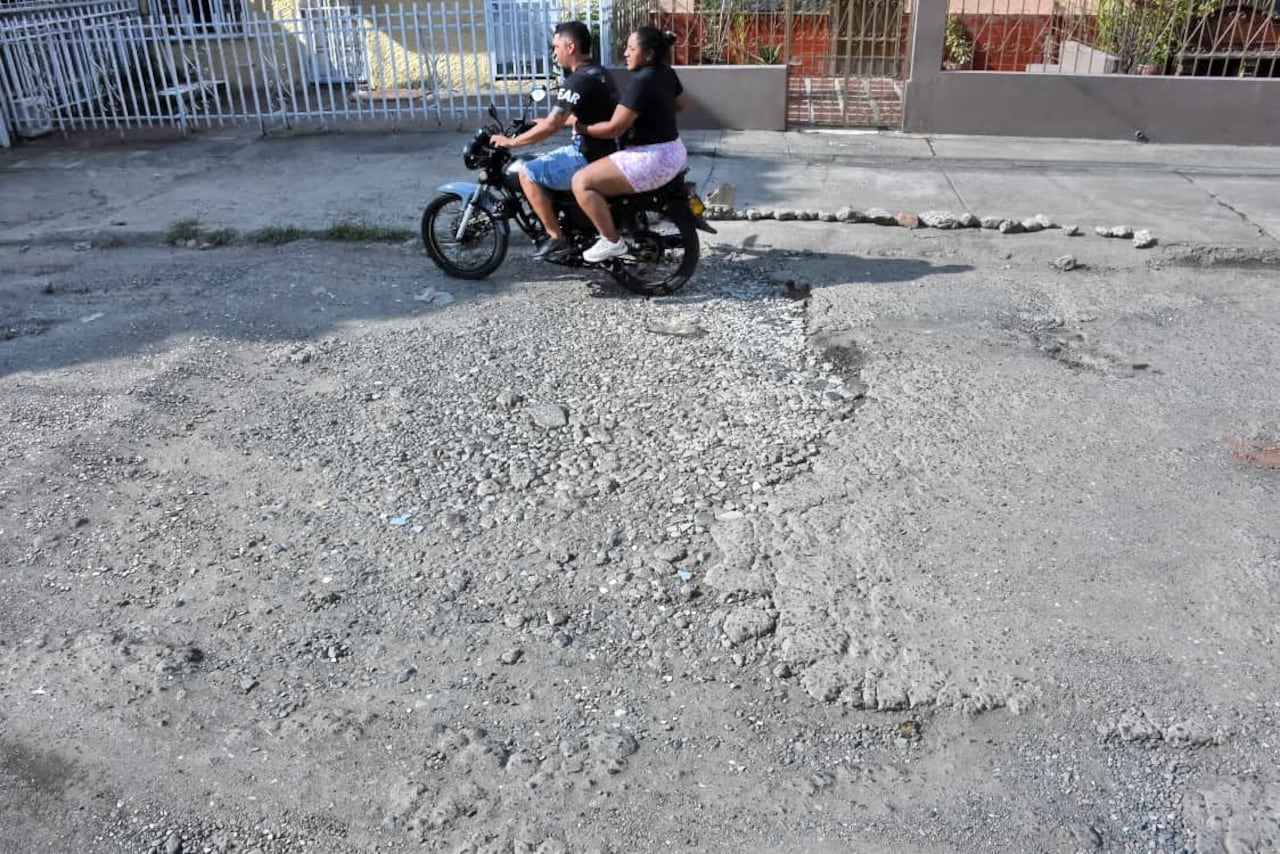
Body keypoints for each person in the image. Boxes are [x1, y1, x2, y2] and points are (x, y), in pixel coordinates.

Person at [490, 21, 619, 260]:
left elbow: (552, 125)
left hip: (586, 155)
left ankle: (556, 237)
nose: (554, 53)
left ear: (570, 47)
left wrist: (511, 142)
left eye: (556, 47)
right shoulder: (600, 73)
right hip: (604, 150)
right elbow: (587, 115)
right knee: (545, 165)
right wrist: (550, 122)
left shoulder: (576, 80)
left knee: (528, 172)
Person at [571, 27, 689, 263]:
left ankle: (611, 241)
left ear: (648, 54)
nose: (625, 53)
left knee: (581, 182)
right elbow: (683, 104)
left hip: (650, 157)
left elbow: (615, 128)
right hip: (673, 151)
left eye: (631, 48)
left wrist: (580, 127)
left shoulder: (641, 81)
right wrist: (655, 114)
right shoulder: (665, 72)